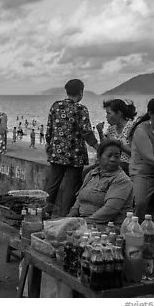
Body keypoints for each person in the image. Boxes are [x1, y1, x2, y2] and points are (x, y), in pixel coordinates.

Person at [44, 79, 99, 217]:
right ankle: (65, 216)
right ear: (81, 92)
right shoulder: (81, 109)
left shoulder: (56, 106)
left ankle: (44, 212)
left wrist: (50, 145)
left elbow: (49, 128)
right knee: (71, 186)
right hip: (75, 154)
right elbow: (86, 131)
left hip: (56, 152)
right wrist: (98, 146)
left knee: (52, 184)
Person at [68, 139, 134, 227]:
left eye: (117, 156)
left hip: (107, 226)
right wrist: (73, 211)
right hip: (84, 221)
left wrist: (83, 222)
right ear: (99, 157)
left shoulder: (122, 180)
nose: (113, 159)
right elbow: (80, 197)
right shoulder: (92, 174)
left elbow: (110, 210)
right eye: (109, 155)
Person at [95, 99, 137, 174]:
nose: (107, 117)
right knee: (86, 172)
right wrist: (100, 132)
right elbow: (104, 148)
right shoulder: (111, 129)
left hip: (128, 164)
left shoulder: (132, 128)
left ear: (119, 113)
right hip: (112, 163)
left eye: (109, 113)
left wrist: (119, 145)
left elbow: (137, 153)